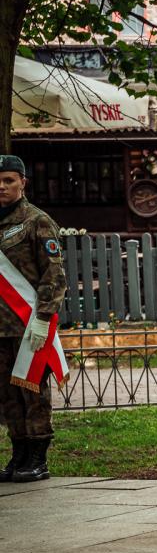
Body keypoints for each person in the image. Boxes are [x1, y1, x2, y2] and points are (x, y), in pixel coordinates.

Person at [0, 155, 64, 483]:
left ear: (23, 182)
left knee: (32, 389)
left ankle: (38, 457)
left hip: (28, 326)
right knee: (7, 394)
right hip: (0, 328)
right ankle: (19, 454)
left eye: (9, 180)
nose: (1, 186)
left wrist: (44, 318)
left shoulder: (37, 222)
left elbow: (53, 275)